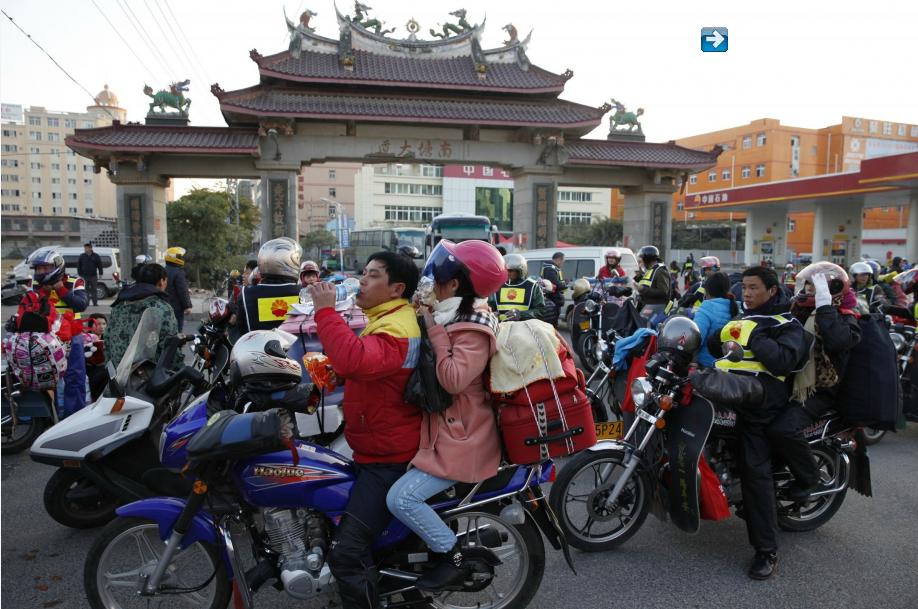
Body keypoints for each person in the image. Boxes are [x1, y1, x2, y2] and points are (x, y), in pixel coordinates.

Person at [386, 240, 505, 591]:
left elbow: (452, 379)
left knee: (401, 498)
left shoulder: (473, 327)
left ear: (454, 284)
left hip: (464, 440)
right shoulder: (453, 316)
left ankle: (452, 556)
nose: (432, 281)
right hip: (445, 431)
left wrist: (433, 328)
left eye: (439, 276)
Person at [310, 251, 422, 609]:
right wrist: (336, 373)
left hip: (389, 458)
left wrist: (325, 311)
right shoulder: (385, 317)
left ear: (396, 288)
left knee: (347, 553)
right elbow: (368, 367)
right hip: (373, 446)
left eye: (373, 276)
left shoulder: (399, 326)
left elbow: (355, 358)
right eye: (363, 273)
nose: (361, 281)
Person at [710, 265, 808, 580]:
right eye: (745, 288)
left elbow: (782, 361)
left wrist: (754, 334)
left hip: (763, 407)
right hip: (730, 397)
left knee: (756, 473)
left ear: (772, 291)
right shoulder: (740, 319)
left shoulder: (785, 322)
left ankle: (766, 551)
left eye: (754, 288)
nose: (747, 293)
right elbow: (715, 345)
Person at [767, 262, 860, 505]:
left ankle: (810, 479)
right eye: (807, 284)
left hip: (820, 392)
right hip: (787, 383)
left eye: (813, 285)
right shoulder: (799, 309)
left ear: (832, 289)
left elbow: (837, 342)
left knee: (783, 429)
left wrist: (825, 305)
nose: (807, 289)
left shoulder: (845, 317)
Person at [16, 249, 89, 417]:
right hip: (45, 337)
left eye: (45, 268)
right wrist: (45, 292)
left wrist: (61, 289)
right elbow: (28, 306)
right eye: (39, 269)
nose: (41, 272)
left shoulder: (74, 281)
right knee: (45, 378)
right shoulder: (34, 284)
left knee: (75, 377)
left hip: (72, 336)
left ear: (57, 266)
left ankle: (75, 416)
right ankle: (50, 416)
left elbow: (81, 304)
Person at [105, 263, 181, 369]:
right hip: (147, 376)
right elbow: (170, 346)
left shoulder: (119, 305)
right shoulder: (161, 307)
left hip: (117, 374)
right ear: (162, 281)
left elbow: (107, 338)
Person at [236, 238, 302, 334]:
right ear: (289, 261)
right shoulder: (304, 293)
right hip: (295, 348)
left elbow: (242, 329)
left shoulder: (245, 293)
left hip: (256, 347)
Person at [692, 271, 738, 368]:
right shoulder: (736, 307)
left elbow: (696, 339)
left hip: (706, 365)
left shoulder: (707, 307)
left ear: (707, 290)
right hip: (729, 364)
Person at [489, 253, 546, 322]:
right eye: (505, 270)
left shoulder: (533, 286)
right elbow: (489, 306)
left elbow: (541, 310)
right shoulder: (497, 285)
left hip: (525, 326)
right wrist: (492, 314)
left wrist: (521, 314)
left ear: (520, 271)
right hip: (501, 326)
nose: (507, 273)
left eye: (510, 270)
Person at [634, 245, 672, 309]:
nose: (640, 261)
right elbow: (649, 283)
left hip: (656, 309)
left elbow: (663, 292)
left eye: (642, 258)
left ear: (647, 259)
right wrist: (638, 277)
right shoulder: (650, 270)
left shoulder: (660, 271)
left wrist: (642, 289)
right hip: (646, 307)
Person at [164, 246, 192, 332]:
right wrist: (187, 306)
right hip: (176, 308)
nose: (181, 258)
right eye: (179, 257)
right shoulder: (178, 272)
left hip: (164, 306)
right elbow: (182, 291)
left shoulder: (163, 270)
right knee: (177, 332)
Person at [85, 313, 109, 401]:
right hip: (91, 374)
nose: (102, 327)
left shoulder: (110, 338)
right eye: (98, 324)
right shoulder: (84, 339)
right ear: (90, 325)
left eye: (104, 324)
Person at [539, 251, 566, 327]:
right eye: (563, 261)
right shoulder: (550, 269)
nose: (563, 264)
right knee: (552, 324)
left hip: (553, 300)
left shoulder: (551, 268)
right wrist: (564, 285)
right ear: (559, 259)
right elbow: (555, 284)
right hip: (553, 300)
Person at [78, 242, 104, 306]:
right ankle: (86, 303)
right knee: (85, 290)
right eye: (84, 248)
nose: (85, 249)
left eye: (86, 248)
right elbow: (79, 266)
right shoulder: (82, 256)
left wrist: (100, 273)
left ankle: (95, 303)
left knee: (94, 290)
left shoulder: (96, 256)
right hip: (84, 276)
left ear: (90, 248)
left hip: (93, 276)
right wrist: (80, 274)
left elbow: (100, 265)